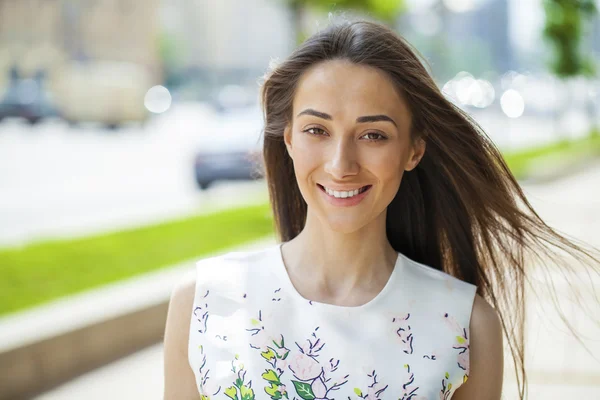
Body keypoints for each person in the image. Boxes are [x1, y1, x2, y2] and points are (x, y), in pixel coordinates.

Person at [163, 19, 600, 400]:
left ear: (414, 149)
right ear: (290, 139)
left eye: (373, 135)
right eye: (317, 129)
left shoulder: (466, 326)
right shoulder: (203, 301)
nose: (341, 165)